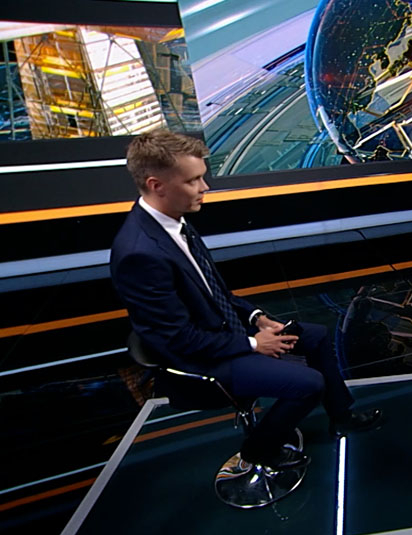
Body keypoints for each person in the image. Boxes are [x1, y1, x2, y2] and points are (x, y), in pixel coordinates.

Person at [110, 129, 382, 470]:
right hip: (200, 362)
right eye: (193, 181)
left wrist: (255, 317)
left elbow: (212, 291)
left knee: (315, 335)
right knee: (309, 384)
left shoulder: (174, 222)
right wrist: (253, 344)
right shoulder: (139, 254)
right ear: (156, 185)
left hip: (221, 332)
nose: (205, 187)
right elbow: (179, 340)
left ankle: (341, 416)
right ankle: (258, 451)